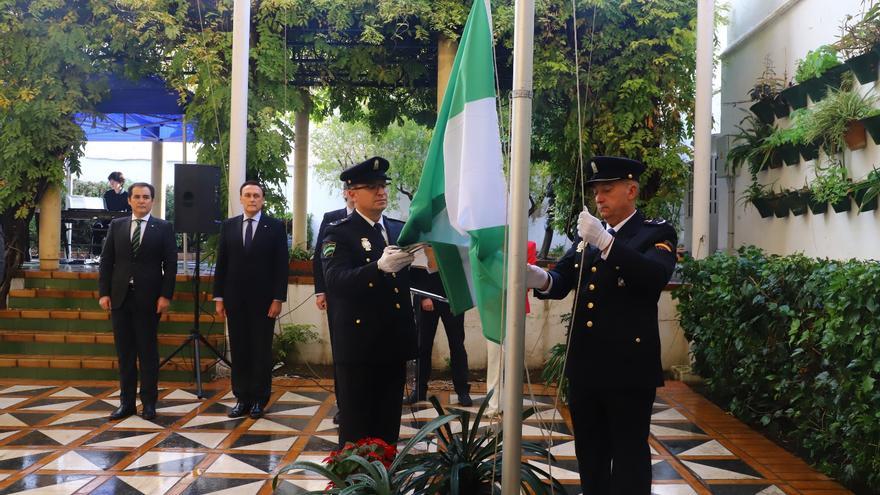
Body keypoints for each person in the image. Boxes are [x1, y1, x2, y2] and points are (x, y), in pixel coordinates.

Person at [525, 156, 677, 495]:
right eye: (596, 192)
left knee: (628, 457)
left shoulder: (655, 233)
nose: (599, 199)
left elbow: (653, 277)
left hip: (628, 369)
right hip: (586, 367)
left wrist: (607, 244)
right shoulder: (590, 237)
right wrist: (535, 277)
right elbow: (562, 279)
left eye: (607, 190)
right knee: (590, 455)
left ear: (632, 190)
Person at [320, 156, 417, 446]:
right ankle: (353, 487)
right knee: (358, 426)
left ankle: (384, 482)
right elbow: (335, 280)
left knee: (388, 424)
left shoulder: (398, 230)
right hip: (360, 347)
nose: (381, 192)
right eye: (372, 186)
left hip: (393, 342)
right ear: (351, 193)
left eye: (383, 185)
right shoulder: (339, 232)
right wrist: (377, 268)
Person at [98, 182, 177, 421]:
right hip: (120, 298)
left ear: (152, 201)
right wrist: (104, 293)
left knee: (148, 352)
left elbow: (170, 265)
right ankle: (126, 403)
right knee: (125, 353)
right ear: (129, 200)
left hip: (149, 299)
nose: (141, 201)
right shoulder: (117, 225)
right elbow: (106, 261)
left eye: (146, 197)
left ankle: (149, 403)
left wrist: (166, 295)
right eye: (137, 197)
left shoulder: (163, 227)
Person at [213, 180, 290, 420]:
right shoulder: (229, 226)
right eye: (248, 195)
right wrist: (219, 298)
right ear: (241, 198)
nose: (252, 199)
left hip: (265, 302)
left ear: (263, 199)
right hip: (235, 300)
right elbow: (222, 264)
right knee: (240, 349)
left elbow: (281, 266)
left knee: (260, 350)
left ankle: (259, 399)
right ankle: (241, 398)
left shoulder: (275, 227)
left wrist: (278, 298)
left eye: (257, 195)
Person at [406, 247, 471, 406]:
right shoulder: (422, 234)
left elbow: (463, 269)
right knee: (423, 346)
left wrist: (458, 298)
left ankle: (462, 391)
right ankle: (419, 391)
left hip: (452, 300)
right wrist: (423, 297)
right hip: (427, 299)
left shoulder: (454, 237)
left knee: (457, 345)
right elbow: (414, 269)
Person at [313, 191, 356, 425]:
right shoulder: (332, 218)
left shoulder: (376, 221)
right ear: (346, 193)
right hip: (337, 298)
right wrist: (321, 291)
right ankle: (343, 405)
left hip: (364, 298)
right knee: (341, 353)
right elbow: (319, 257)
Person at [93, 171, 132, 255]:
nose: (111, 183)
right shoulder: (108, 194)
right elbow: (103, 208)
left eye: (113, 181)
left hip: (120, 221)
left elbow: (129, 211)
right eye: (110, 181)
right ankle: (96, 255)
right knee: (96, 227)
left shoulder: (127, 195)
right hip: (107, 219)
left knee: (111, 227)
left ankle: (114, 255)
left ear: (120, 182)